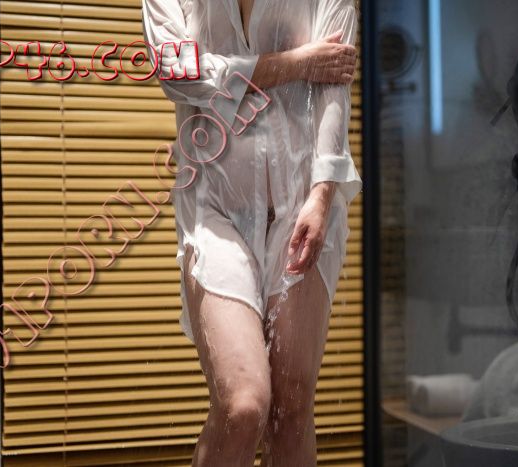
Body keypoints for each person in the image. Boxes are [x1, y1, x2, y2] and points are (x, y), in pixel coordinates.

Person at [142, 0, 362, 465]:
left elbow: (334, 82)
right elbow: (179, 74)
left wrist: (322, 195)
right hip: (214, 208)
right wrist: (295, 63)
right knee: (243, 405)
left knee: (292, 407)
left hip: (304, 203)